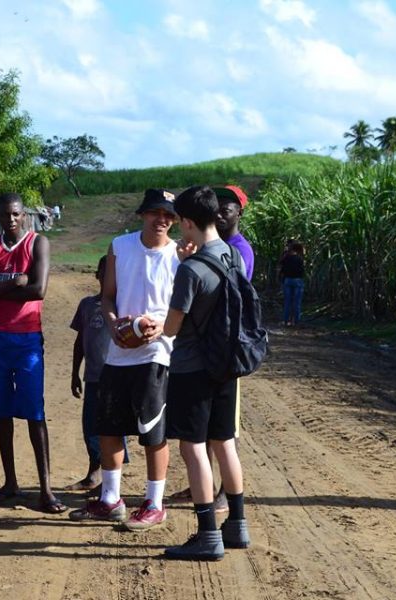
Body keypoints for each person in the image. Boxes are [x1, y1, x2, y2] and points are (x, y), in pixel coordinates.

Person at [70, 189, 182, 530]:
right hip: (118, 353)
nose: (161, 220)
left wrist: (161, 326)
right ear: (142, 215)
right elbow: (107, 297)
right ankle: (110, 499)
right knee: (109, 428)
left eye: (168, 215)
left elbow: (184, 308)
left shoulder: (180, 255)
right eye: (155, 213)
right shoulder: (120, 246)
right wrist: (114, 322)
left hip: (158, 353)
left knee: (152, 431)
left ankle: (154, 503)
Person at [161, 185, 250, 560]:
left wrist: (183, 266)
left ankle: (207, 535)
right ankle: (238, 525)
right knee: (224, 441)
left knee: (192, 447)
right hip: (226, 365)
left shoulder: (192, 269)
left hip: (192, 368)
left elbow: (171, 327)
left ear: (187, 222)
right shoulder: (235, 256)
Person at [0, 193, 65, 514]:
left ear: (24, 215)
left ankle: (46, 489)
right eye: (4, 215)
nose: (10, 219)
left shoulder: (38, 243)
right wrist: (14, 284)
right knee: (1, 411)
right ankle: (10, 482)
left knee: (34, 412)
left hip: (26, 338)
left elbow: (38, 289)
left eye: (15, 214)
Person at [67, 256, 128, 492]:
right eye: (104, 272)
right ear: (97, 275)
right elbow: (79, 342)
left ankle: (111, 480)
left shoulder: (123, 306)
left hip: (116, 378)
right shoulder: (87, 305)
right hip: (92, 377)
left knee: (114, 428)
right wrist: (74, 373)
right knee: (90, 426)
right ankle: (94, 473)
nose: (108, 277)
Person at [279, 241, 305, 326]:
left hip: (288, 280)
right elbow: (302, 271)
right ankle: (296, 322)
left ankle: (286, 321)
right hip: (298, 281)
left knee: (287, 302)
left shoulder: (286, 258)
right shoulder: (299, 259)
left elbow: (282, 269)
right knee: (297, 303)